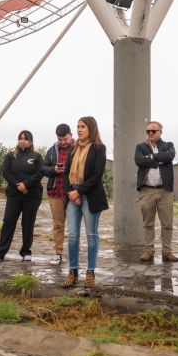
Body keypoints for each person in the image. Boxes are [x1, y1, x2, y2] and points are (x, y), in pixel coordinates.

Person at [62, 116, 108, 289]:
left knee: (91, 235)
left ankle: (90, 272)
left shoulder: (98, 148)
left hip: (90, 196)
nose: (79, 129)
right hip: (73, 196)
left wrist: (79, 191)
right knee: (73, 235)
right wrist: (71, 193)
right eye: (78, 126)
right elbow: (66, 174)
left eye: (83, 126)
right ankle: (72, 272)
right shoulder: (73, 149)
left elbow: (97, 176)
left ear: (91, 128)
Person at [0, 131, 44, 261]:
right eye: (20, 139)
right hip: (14, 195)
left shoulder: (37, 156)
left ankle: (26, 251)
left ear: (31, 141)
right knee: (8, 222)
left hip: (32, 196)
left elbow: (40, 172)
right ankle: (0, 253)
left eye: (26, 139)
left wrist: (26, 184)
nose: (23, 141)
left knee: (28, 223)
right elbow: (6, 172)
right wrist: (17, 184)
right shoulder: (11, 155)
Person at [134, 121, 177, 262]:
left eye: (153, 131)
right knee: (148, 223)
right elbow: (139, 161)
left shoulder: (168, 145)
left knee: (167, 223)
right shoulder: (140, 147)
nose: (150, 134)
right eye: (148, 131)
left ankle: (167, 251)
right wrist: (158, 160)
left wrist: (151, 157)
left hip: (165, 190)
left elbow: (170, 156)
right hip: (146, 191)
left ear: (160, 132)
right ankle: (148, 251)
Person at [40, 123, 75, 265]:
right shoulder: (52, 150)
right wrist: (54, 169)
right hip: (56, 191)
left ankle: (74, 254)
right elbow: (43, 167)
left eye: (65, 139)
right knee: (58, 225)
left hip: (73, 192)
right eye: (60, 139)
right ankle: (58, 253)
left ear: (71, 135)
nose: (62, 142)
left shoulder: (79, 148)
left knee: (74, 226)